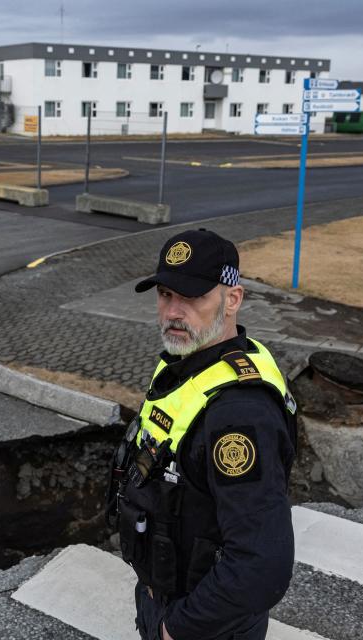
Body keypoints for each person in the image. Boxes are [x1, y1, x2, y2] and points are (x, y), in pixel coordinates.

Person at [107, 228, 298, 640]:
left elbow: (263, 565)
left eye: (192, 297)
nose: (173, 312)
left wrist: (176, 629)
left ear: (232, 299)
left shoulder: (238, 414)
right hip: (165, 594)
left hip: (205, 624)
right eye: (164, 295)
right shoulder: (187, 365)